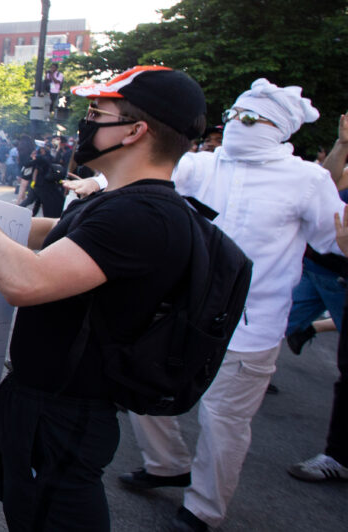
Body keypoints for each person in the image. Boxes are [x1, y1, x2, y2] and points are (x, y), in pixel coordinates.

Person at [0, 65, 206, 532]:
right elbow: (57, 233)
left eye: (97, 112)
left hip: (65, 415)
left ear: (135, 130)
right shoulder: (119, 201)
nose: (84, 123)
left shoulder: (145, 214)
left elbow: (24, 281)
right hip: (30, 393)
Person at [113, 80, 342, 532]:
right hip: (181, 310)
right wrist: (98, 183)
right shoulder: (200, 165)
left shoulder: (307, 179)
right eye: (234, 114)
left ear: (280, 128)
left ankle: (202, 509)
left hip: (252, 325)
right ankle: (165, 464)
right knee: (139, 386)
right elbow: (144, 177)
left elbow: (330, 236)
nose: (238, 124)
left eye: (251, 118)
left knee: (224, 423)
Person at [287, 112, 348, 482]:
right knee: (286, 321)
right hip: (318, 269)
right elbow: (330, 182)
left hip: (338, 278)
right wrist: (342, 144)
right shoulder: (336, 173)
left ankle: (337, 456)